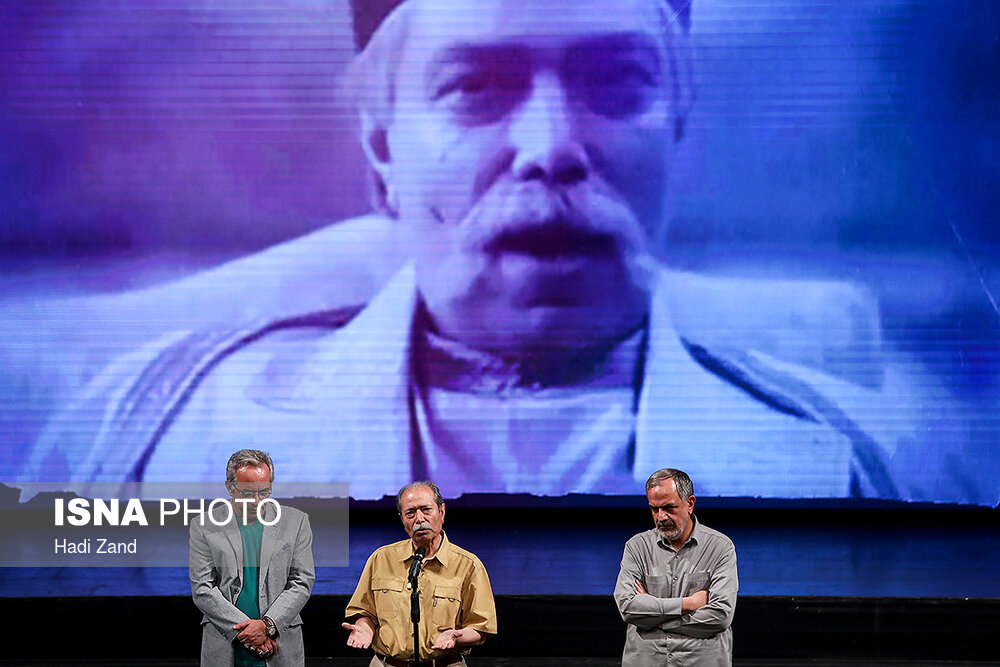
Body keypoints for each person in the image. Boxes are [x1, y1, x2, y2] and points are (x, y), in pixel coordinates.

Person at [21, 0, 910, 502]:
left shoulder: (877, 466)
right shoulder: (155, 446)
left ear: (677, 128)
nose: (552, 149)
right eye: (476, 86)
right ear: (382, 149)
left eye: (615, 82)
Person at [343, 481, 497, 665]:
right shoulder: (381, 559)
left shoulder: (468, 565)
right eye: (410, 513)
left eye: (426, 510)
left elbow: (481, 628)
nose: (419, 519)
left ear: (442, 512)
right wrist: (365, 628)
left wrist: (456, 636)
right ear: (402, 519)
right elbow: (365, 612)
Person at [189, 449, 315, 666]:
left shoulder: (296, 523)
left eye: (264, 492)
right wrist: (249, 632)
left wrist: (267, 625)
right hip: (225, 644)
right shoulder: (204, 526)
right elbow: (202, 588)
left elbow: (302, 581)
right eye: (247, 493)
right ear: (230, 487)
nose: (257, 501)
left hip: (279, 642)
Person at [615, 468, 737, 666]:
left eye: (669, 508)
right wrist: (688, 604)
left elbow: (721, 615)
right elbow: (628, 607)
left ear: (690, 504)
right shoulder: (637, 547)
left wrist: (658, 620)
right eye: (654, 509)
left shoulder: (720, 547)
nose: (661, 517)